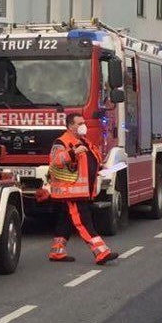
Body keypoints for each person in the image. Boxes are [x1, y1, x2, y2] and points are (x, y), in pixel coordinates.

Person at [44, 113, 118, 265]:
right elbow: (55, 161)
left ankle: (57, 251)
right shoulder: (61, 142)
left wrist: (100, 168)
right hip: (70, 191)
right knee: (84, 222)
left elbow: (90, 161)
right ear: (70, 126)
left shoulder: (84, 141)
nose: (83, 126)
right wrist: (72, 153)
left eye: (84, 122)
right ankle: (101, 252)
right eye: (79, 123)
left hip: (81, 191)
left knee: (65, 221)